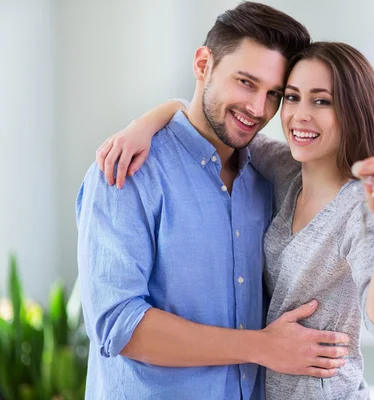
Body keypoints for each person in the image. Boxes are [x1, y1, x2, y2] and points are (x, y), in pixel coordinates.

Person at [97, 41, 374, 399]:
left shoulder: (360, 206)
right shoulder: (286, 171)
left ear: (353, 112)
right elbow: (205, 122)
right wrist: (144, 125)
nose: (300, 115)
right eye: (292, 97)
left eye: (322, 101)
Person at [77, 3, 352, 400]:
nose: (258, 109)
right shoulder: (128, 170)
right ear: (203, 63)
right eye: (245, 82)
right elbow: (119, 325)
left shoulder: (271, 175)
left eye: (274, 94)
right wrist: (262, 346)